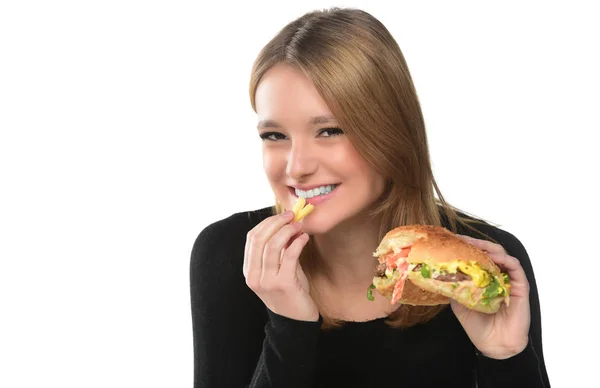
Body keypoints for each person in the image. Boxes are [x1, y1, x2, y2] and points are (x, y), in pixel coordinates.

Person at [190, 7, 550, 388]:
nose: (296, 168)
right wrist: (289, 327)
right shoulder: (230, 254)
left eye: (329, 131)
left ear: (391, 133)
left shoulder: (481, 262)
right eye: (274, 136)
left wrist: (506, 356)